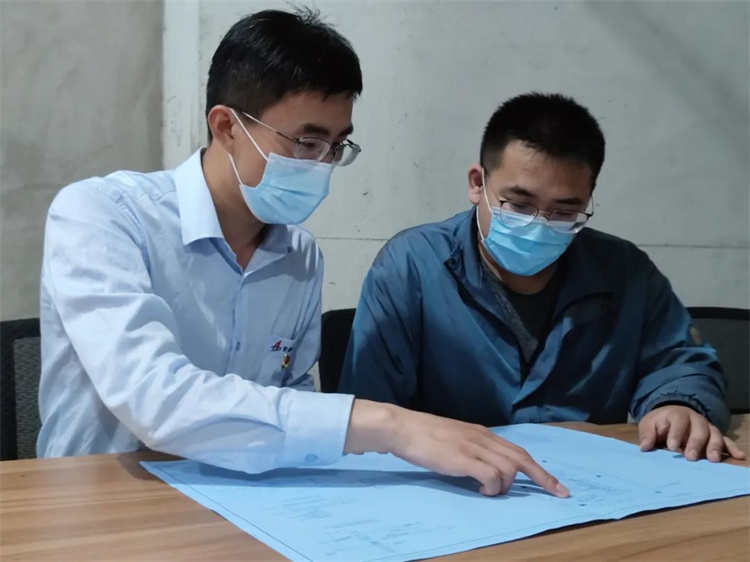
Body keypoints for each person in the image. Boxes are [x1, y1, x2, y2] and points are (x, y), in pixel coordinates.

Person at [37, 10, 568, 499]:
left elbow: (289, 394)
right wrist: (392, 425)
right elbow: (156, 399)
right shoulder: (104, 216)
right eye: (306, 142)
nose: (322, 164)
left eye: (336, 146)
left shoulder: (299, 256)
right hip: (101, 498)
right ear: (227, 127)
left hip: (242, 499)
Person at [339, 92, 745, 464]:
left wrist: (678, 403)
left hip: (589, 486)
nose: (539, 226)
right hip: (450, 487)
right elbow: (368, 413)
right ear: (477, 184)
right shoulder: (412, 267)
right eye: (519, 205)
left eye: (564, 212)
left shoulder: (624, 272)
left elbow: (682, 362)